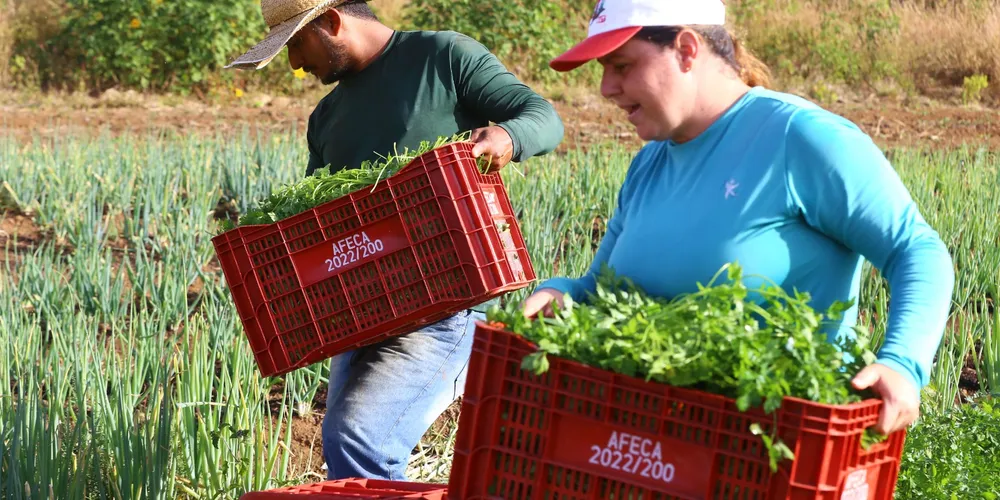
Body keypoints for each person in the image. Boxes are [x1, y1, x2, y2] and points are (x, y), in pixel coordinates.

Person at [524, 0, 954, 437]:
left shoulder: (799, 138)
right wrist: (562, 293)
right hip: (659, 445)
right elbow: (599, 290)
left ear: (687, 50)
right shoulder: (648, 165)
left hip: (778, 443)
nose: (605, 87)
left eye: (621, 65)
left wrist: (903, 363)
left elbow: (915, 249)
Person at [225, 0, 564, 481]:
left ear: (332, 22)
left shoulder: (443, 57)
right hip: (365, 310)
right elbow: (314, 222)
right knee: (348, 461)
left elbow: (543, 117)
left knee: (360, 439)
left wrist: (507, 138)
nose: (295, 63)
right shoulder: (325, 118)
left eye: (296, 43)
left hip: (450, 298)